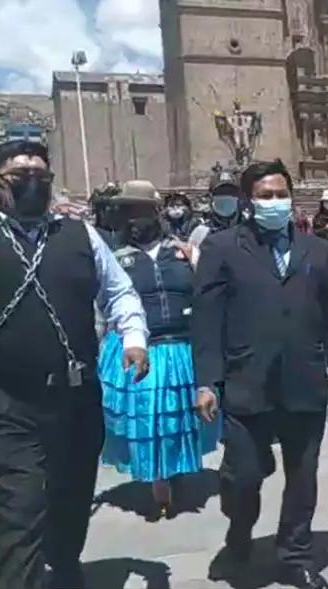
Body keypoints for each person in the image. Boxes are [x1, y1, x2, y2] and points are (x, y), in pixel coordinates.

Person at [0, 103, 149, 589]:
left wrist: (133, 337)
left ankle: (65, 565)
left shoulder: (79, 234)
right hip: (6, 404)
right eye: (21, 175)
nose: (33, 182)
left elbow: (118, 290)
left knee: (72, 499)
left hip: (78, 400)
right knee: (20, 514)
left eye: (41, 174)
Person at [192, 159, 328, 589]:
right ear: (249, 201)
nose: (275, 201)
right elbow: (207, 319)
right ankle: (240, 528)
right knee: (243, 476)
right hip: (247, 379)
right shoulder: (222, 247)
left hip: (304, 379)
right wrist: (206, 381)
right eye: (266, 195)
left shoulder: (315, 248)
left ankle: (295, 556)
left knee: (303, 475)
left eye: (281, 194)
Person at [98, 180, 220, 520]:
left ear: (157, 212)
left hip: (182, 348)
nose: (136, 218)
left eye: (142, 210)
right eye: (129, 211)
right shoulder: (113, 259)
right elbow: (101, 308)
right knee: (149, 420)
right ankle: (159, 481)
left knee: (179, 420)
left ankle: (174, 470)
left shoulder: (184, 252)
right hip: (141, 351)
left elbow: (209, 295)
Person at [188, 171, 243, 246]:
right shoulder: (201, 232)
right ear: (211, 197)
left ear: (239, 197)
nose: (226, 196)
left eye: (231, 192)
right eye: (220, 193)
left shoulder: (249, 230)